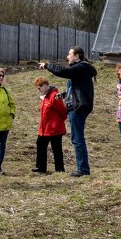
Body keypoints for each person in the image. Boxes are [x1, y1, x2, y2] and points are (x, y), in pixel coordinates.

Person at [39, 47, 96, 177]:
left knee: (77, 139)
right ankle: (83, 168)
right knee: (77, 138)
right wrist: (64, 95)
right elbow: (78, 88)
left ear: (77, 56)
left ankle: (83, 170)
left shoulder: (81, 67)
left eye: (69, 54)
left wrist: (47, 65)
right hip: (76, 106)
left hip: (78, 108)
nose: (67, 57)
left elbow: (64, 71)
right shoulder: (81, 69)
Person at [32, 77, 67, 174]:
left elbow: (63, 111)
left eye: (39, 88)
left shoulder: (54, 96)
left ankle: (59, 169)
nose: (38, 90)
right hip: (44, 128)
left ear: (44, 86)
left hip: (54, 129)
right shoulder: (45, 96)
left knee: (57, 149)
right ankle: (41, 167)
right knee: (40, 145)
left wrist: (56, 122)